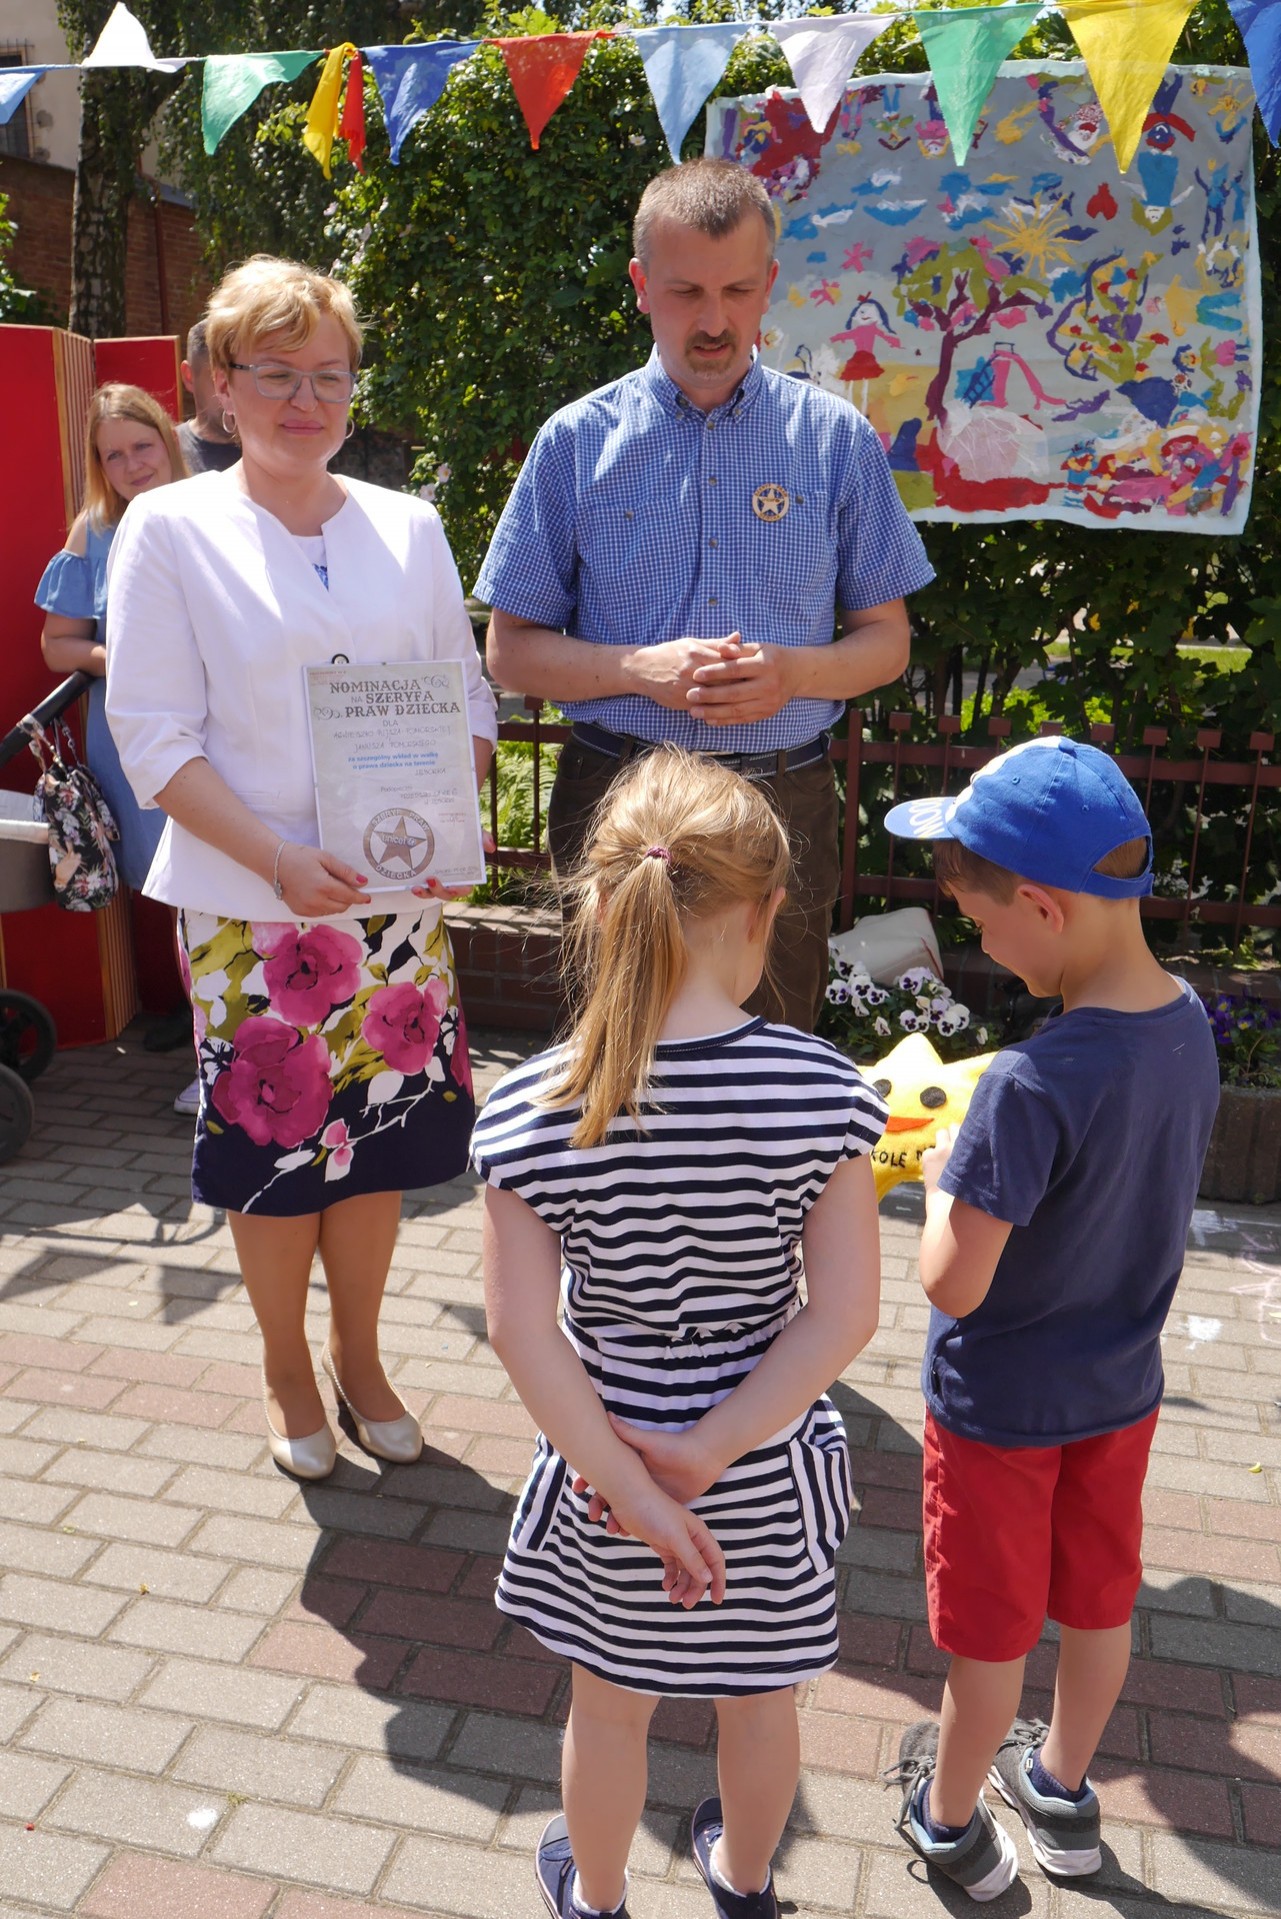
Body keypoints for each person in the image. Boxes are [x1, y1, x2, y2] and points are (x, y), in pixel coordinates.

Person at [472, 747, 886, 1919]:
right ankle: (746, 1883)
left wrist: (638, 1488)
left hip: (609, 1470)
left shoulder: (534, 1104)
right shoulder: (823, 1093)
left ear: (603, 907)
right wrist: (710, 1449)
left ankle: (597, 1897)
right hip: (757, 1463)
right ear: (762, 912)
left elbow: (522, 1333)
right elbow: (844, 1313)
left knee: (608, 1707)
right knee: (761, 1702)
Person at [105, 255, 498, 1483]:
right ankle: (285, 1365)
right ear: (219, 385)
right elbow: (153, 737)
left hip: (394, 905)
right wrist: (277, 857)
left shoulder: (408, 525)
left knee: (378, 1145)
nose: (304, 399)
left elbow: (464, 698)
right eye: (274, 372)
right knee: (276, 1158)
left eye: (329, 374)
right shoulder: (170, 527)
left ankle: (360, 1355)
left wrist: (448, 820)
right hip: (248, 905)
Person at [476, 157, 935, 1034]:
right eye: (686, 292)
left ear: (769, 285)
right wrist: (636, 668)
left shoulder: (835, 440)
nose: (715, 320)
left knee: (775, 1056)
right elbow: (510, 649)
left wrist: (794, 672)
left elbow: (888, 640)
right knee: (612, 1054)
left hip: (781, 802)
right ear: (641, 285)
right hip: (618, 798)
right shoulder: (574, 442)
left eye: (736, 290)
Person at [879, 738, 1219, 1900]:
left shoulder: (1027, 1082)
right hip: (1119, 1392)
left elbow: (953, 1283)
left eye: (981, 921)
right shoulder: (1185, 1024)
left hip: (999, 1412)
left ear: (1041, 904)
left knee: (989, 1638)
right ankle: (1064, 1790)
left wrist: (938, 1183)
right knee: (1098, 1602)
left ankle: (949, 1819)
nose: (981, 944)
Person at [33, 384, 198, 1108]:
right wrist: (121, 658)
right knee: (184, 892)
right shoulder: (95, 529)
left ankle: (236, 1040)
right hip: (136, 734)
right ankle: (211, 1043)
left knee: (235, 880)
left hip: (226, 724)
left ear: (167, 441)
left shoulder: (221, 507)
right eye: (114, 455)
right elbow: (58, 645)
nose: (133, 464)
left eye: (143, 446)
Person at [177, 318, 240, 474]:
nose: (232, 393)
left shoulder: (277, 449)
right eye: (218, 380)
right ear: (189, 377)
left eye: (240, 377)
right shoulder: (166, 453)